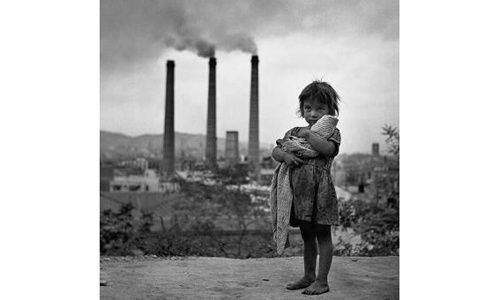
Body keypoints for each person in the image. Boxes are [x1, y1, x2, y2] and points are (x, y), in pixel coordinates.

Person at [271, 80, 341, 295]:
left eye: (320, 108)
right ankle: (308, 276)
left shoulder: (332, 133)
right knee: (307, 236)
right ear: (301, 109)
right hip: (299, 194)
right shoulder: (294, 131)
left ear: (330, 111)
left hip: (320, 193)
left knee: (323, 236)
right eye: (308, 108)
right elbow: (276, 150)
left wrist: (310, 135)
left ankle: (322, 281)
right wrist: (285, 155)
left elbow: (328, 150)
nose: (313, 113)